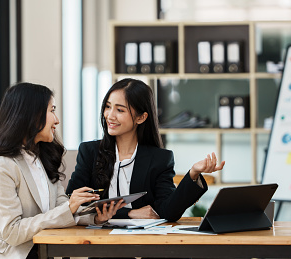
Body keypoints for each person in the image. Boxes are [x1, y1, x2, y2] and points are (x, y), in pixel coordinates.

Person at [0, 82, 124, 259]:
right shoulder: (1, 166)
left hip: (37, 252)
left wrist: (95, 218)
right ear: (32, 115)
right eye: (52, 110)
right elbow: (13, 232)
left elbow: (60, 209)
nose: (57, 120)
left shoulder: (41, 159)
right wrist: (69, 208)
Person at [66, 78, 225, 222]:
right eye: (108, 107)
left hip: (145, 247)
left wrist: (193, 174)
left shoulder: (160, 158)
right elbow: (74, 205)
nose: (110, 115)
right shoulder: (89, 152)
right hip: (101, 246)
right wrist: (130, 213)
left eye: (120, 110)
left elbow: (168, 211)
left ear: (141, 117)